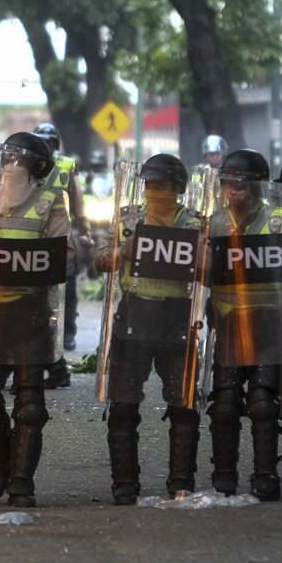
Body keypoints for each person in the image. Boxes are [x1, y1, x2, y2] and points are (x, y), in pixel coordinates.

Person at [94, 154, 205, 505]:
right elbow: (98, 259)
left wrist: (202, 257)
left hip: (177, 320)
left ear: (178, 189)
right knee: (123, 405)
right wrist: (120, 253)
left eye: (162, 185)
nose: (154, 191)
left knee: (184, 407)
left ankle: (181, 482)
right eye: (150, 185)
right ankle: (124, 483)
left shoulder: (192, 225)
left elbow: (212, 268)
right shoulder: (129, 220)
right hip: (133, 317)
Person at [0, 132, 72, 507]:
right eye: (7, 158)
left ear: (36, 166)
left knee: (29, 406)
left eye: (20, 159)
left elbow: (66, 253)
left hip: (30, 315)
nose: (11, 164)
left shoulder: (50, 203)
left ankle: (20, 481)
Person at [204, 150, 282, 501]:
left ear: (258, 186)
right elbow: (202, 271)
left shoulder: (279, 221)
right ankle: (225, 475)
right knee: (223, 403)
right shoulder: (214, 223)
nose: (233, 190)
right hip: (228, 324)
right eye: (228, 183)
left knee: (263, 402)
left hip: (269, 322)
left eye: (241, 184)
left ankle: (266, 475)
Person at [34, 122, 92, 388]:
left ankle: (68, 332)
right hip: (30, 235)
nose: (47, 147)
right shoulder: (25, 162)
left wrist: (85, 232)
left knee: (66, 288)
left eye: (50, 142)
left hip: (60, 235)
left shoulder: (66, 166)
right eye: (42, 142)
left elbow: (78, 203)